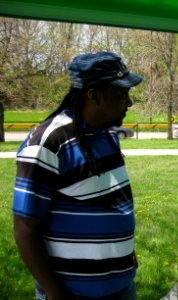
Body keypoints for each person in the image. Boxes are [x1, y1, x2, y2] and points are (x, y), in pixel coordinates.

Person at [13, 51, 143, 300]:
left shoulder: (105, 133)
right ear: (93, 96)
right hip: (72, 294)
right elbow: (24, 229)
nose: (129, 103)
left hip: (122, 289)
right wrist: (54, 292)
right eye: (120, 95)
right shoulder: (47, 143)